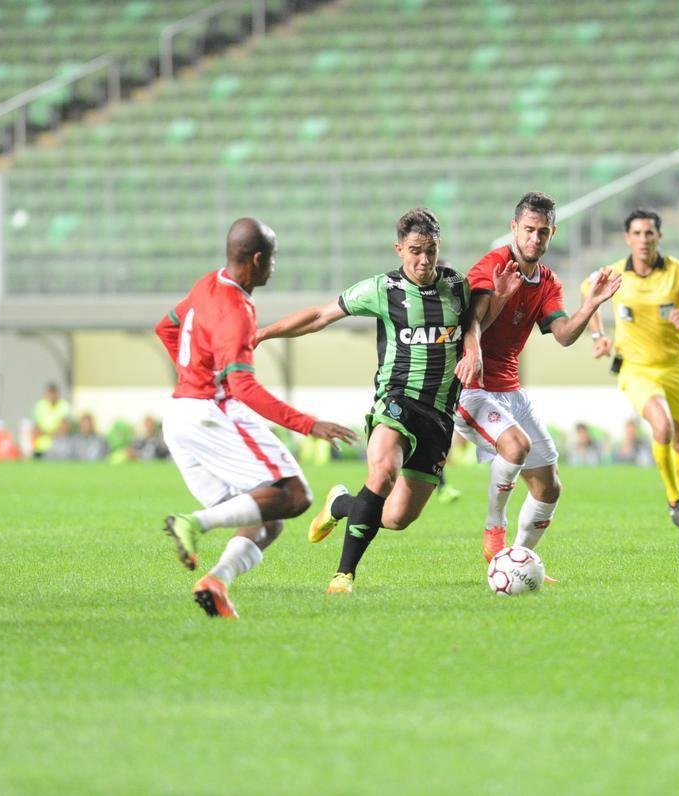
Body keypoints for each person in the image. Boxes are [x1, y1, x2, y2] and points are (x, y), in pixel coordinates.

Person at [256, 207, 485, 594]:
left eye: (430, 250)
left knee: (395, 517)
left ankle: (340, 504)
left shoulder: (458, 288)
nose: (423, 260)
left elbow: (479, 317)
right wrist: (263, 333)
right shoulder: (383, 289)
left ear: (439, 245)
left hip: (440, 416)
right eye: (415, 250)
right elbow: (319, 316)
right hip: (396, 401)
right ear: (399, 249)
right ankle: (344, 574)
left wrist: (474, 343)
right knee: (381, 473)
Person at [154, 217, 359, 618]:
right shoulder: (237, 310)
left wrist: (192, 374)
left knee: (267, 518)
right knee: (295, 495)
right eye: (274, 257)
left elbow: (166, 328)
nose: (275, 266)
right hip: (210, 412)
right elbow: (244, 388)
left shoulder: (205, 285)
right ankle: (192, 523)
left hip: (179, 415)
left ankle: (216, 583)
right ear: (258, 259)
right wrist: (308, 424)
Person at [454, 192, 621, 565]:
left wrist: (591, 304)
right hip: (473, 387)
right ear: (514, 228)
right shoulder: (492, 266)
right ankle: (494, 526)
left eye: (543, 232)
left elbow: (562, 334)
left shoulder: (547, 280)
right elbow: (472, 323)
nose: (535, 239)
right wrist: (476, 349)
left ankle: (518, 563)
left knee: (549, 488)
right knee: (516, 447)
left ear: (552, 233)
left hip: (511, 390)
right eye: (528, 230)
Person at [583, 209, 679, 529]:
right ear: (627, 238)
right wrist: (599, 335)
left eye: (649, 233)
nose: (643, 240)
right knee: (663, 427)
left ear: (659, 236)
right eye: (637, 234)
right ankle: (674, 501)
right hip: (636, 368)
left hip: (677, 366)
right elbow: (588, 295)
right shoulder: (613, 273)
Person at [31, 382, 70, 459]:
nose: (52, 396)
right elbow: (36, 431)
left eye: (54, 393)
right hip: (40, 448)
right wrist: (53, 432)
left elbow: (63, 431)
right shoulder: (39, 406)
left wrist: (45, 432)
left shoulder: (63, 406)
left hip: (57, 449)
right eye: (50, 393)